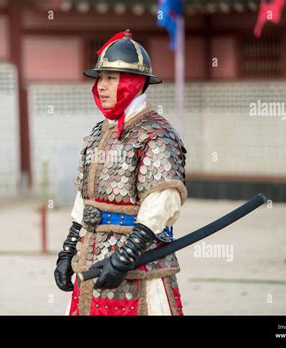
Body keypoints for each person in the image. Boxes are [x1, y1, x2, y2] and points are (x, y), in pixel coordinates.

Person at [54, 29, 187, 316]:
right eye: (100, 78)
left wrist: (125, 256)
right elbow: (84, 201)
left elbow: (162, 203)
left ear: (134, 82)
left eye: (110, 79)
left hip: (141, 267)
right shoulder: (99, 132)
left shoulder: (157, 134)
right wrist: (67, 251)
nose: (101, 86)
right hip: (89, 261)